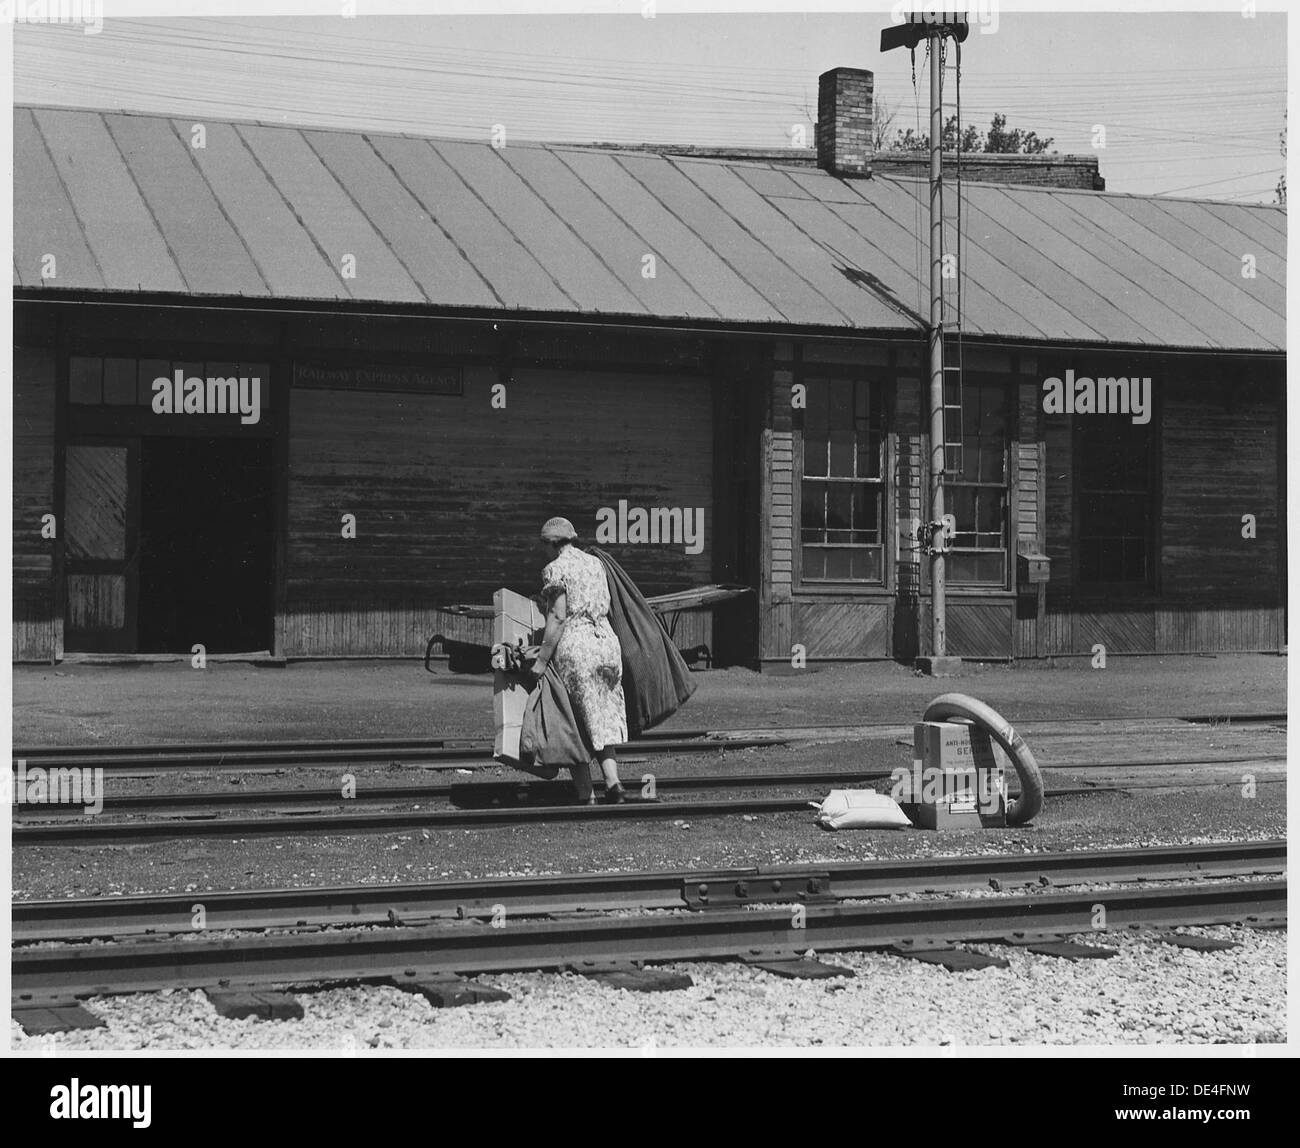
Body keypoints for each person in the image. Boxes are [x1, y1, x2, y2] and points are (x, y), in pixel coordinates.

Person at [532, 517, 628, 804]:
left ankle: (585, 794)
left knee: (572, 719)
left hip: (577, 648)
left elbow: (559, 617)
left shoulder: (555, 569)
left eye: (544, 545)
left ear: (552, 544)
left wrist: (541, 659)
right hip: (607, 644)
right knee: (600, 717)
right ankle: (614, 784)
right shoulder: (595, 564)